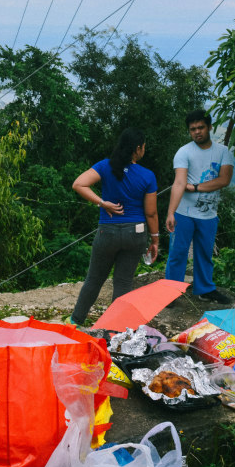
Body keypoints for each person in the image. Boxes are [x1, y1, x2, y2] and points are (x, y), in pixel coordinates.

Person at [69, 128, 159, 325]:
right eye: (143, 147)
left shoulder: (105, 166)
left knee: (94, 279)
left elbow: (79, 184)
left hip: (107, 232)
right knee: (123, 282)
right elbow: (151, 212)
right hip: (136, 233)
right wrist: (155, 240)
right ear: (137, 149)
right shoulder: (148, 175)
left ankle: (75, 322)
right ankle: (114, 329)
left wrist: (102, 203)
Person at [164, 109, 234, 303]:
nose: (197, 132)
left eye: (201, 127)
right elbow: (179, 183)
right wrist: (171, 213)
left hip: (209, 214)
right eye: (192, 129)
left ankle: (204, 289)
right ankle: (170, 292)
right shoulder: (184, 152)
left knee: (204, 253)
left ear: (209, 127)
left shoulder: (223, 152)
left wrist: (195, 187)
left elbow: (224, 180)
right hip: (183, 213)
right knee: (177, 253)